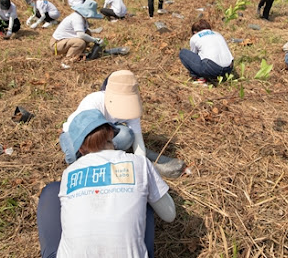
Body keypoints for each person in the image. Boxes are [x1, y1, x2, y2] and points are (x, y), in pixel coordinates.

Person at [37, 109, 176, 258]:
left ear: (81, 148)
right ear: (111, 132)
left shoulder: (69, 173)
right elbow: (169, 215)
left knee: (51, 191)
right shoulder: (139, 163)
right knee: (145, 195)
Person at [59, 70, 148, 164]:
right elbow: (88, 137)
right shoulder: (94, 101)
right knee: (73, 157)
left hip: (104, 136)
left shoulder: (132, 109)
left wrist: (142, 163)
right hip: (79, 135)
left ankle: (99, 157)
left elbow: (138, 141)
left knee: (126, 136)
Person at [179, 19, 234, 85]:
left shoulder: (195, 37)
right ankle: (215, 78)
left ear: (194, 32)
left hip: (211, 68)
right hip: (228, 69)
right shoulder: (218, 34)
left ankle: (199, 77)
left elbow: (194, 55)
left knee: (183, 53)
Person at [50, 0, 103, 68]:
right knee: (80, 42)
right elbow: (81, 35)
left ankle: (78, 53)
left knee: (87, 33)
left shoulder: (81, 17)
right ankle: (67, 61)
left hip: (63, 41)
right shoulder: (77, 18)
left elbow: (85, 31)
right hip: (56, 44)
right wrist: (95, 40)